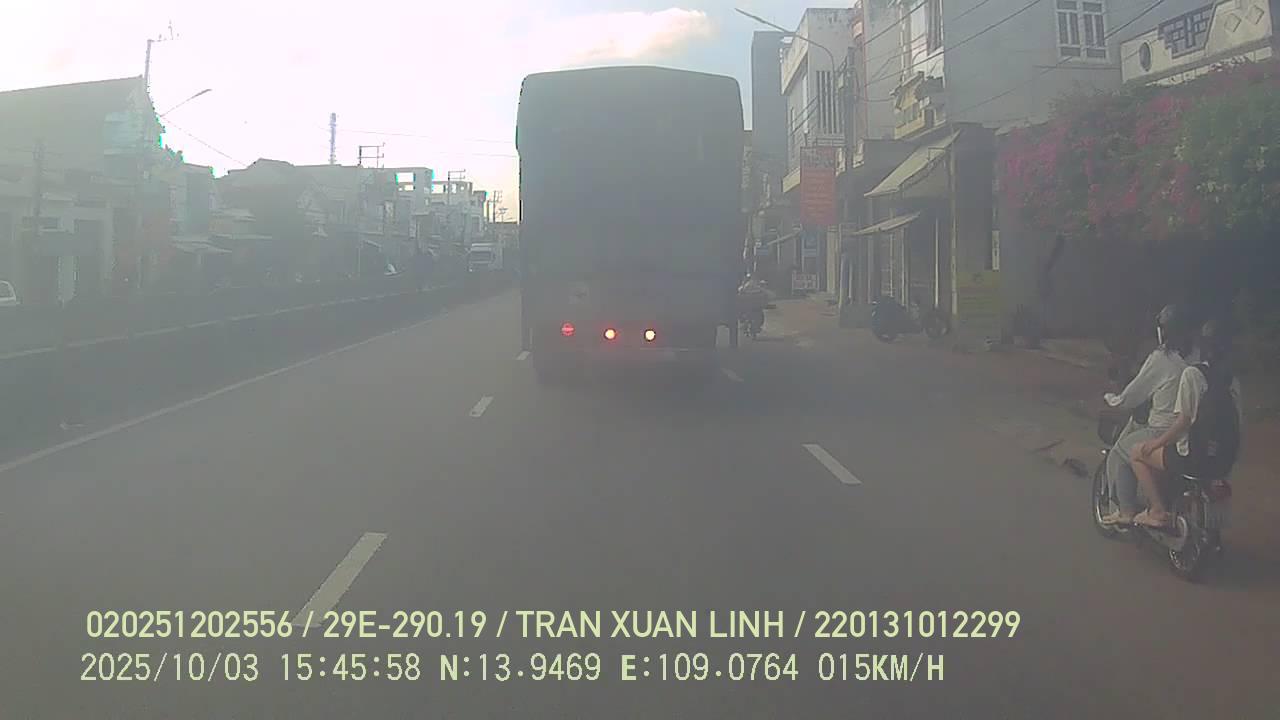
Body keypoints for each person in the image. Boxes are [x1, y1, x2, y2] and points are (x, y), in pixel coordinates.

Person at [1130, 320, 1243, 529]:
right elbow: (1239, 424)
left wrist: (1155, 444)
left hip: (1191, 457)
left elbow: (1182, 422)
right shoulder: (1233, 381)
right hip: (1223, 462)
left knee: (1137, 453)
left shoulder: (1193, 374)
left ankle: (1157, 510)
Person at [1099, 304, 1195, 526]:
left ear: (1163, 330)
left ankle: (1126, 511)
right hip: (1191, 434)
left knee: (1120, 453)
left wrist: (1115, 400)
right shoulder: (1196, 356)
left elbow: (1136, 392)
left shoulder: (1162, 358)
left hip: (1161, 430)